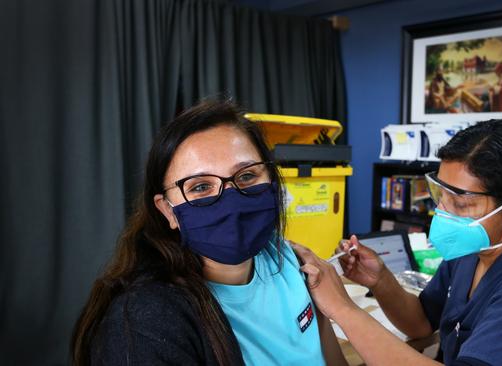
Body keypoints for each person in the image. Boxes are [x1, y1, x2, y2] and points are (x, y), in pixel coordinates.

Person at [70, 99, 346, 365]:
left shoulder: (286, 258)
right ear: (167, 210)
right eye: (200, 187)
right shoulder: (145, 324)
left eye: (247, 176)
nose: (231, 200)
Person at [294, 119, 502, 366]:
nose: (443, 212)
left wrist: (343, 308)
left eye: (460, 202)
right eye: (440, 194)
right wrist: (380, 280)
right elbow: (422, 323)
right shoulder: (475, 247)